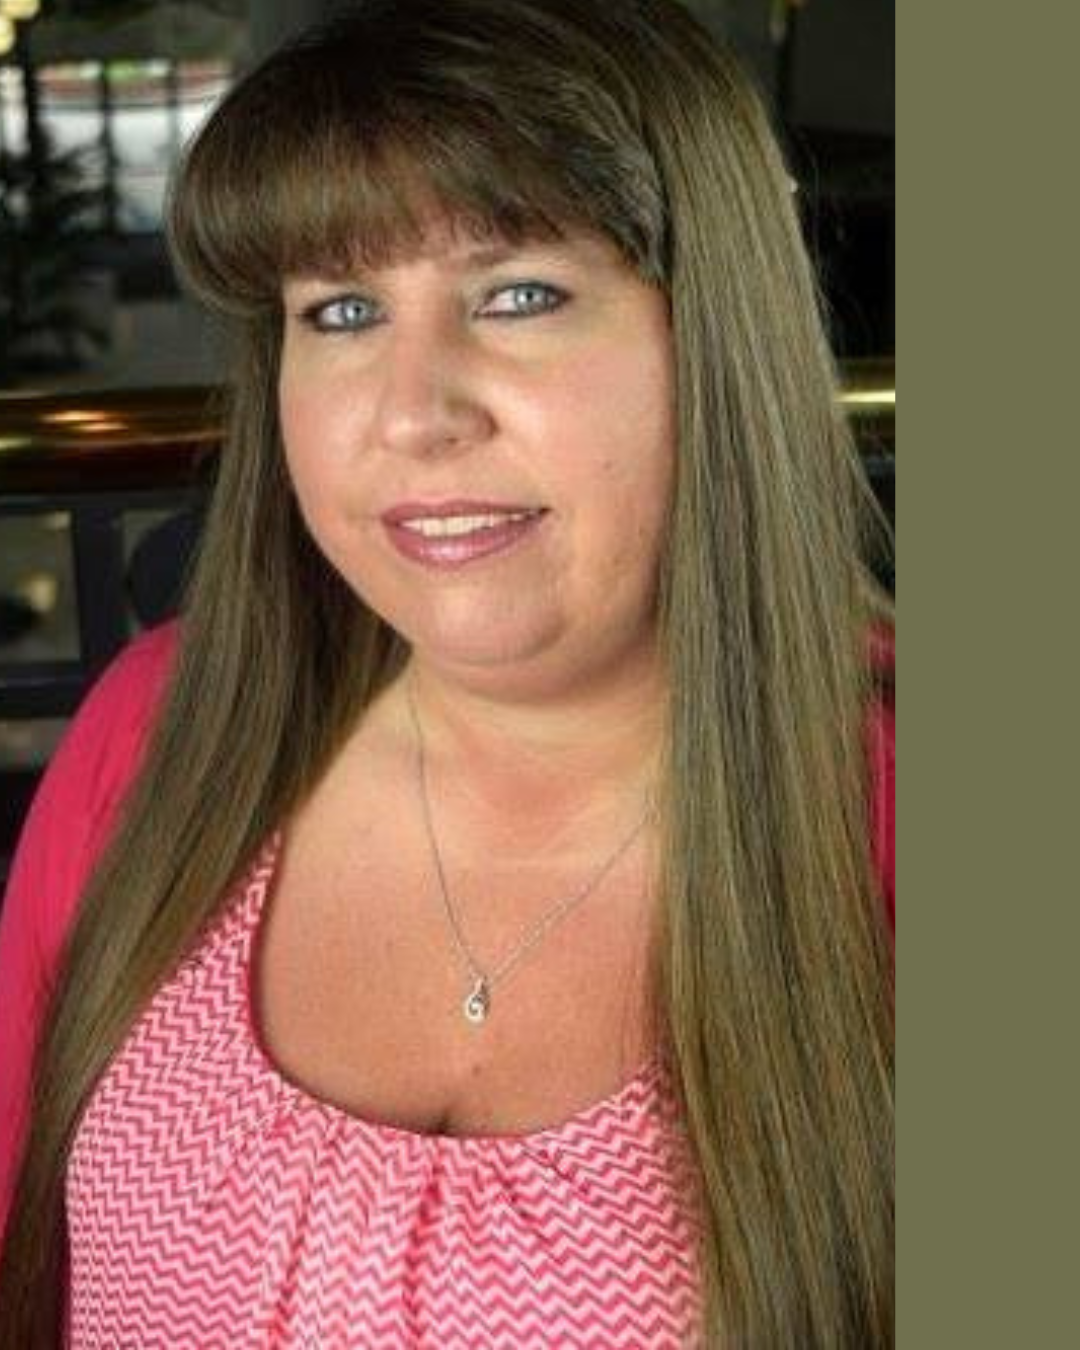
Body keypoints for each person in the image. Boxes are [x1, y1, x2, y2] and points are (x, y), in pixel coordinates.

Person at [0, 0, 895, 1345]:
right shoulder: (158, 730)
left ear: (713, 335)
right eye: (342, 309)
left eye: (518, 293)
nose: (413, 411)